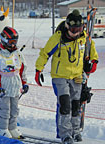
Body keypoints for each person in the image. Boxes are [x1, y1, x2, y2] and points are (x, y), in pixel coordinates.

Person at [35, 10, 98, 144]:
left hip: (76, 76)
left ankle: (75, 131)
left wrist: (93, 62)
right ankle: (65, 134)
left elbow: (92, 51)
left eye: (79, 29)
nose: (76, 33)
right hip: (60, 76)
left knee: (76, 105)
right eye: (73, 30)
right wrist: (38, 70)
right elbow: (45, 53)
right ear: (67, 27)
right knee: (65, 104)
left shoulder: (84, 38)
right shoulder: (58, 38)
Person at [0, 26, 29, 139]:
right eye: (11, 42)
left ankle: (12, 128)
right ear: (4, 40)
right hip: (4, 88)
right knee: (5, 110)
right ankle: (3, 129)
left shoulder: (18, 54)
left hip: (15, 87)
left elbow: (22, 69)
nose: (13, 45)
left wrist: (24, 83)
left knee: (14, 110)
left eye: (15, 42)